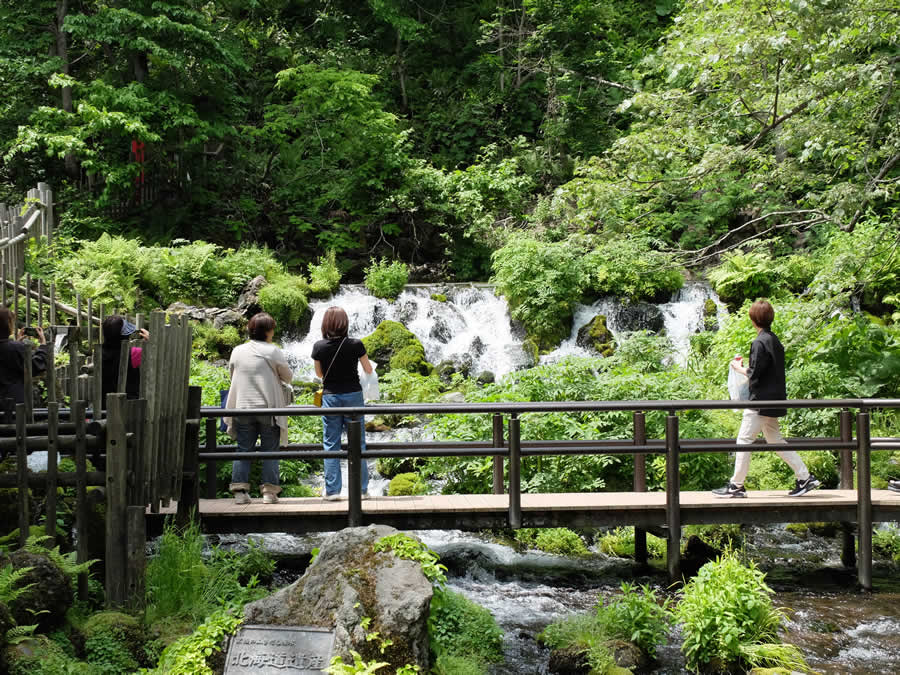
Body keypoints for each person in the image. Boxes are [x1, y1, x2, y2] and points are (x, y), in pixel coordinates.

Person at [713, 300, 820, 499]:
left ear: (753, 319)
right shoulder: (774, 340)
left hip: (760, 402)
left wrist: (738, 368)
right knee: (775, 440)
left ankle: (736, 485)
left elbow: (755, 374)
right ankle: (804, 477)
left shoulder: (759, 342)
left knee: (744, 440)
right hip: (774, 399)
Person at [224, 312, 292, 505]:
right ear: (268, 331)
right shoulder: (273, 351)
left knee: (243, 448)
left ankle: (239, 492)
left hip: (242, 406)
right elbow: (288, 377)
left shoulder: (237, 350)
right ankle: (269, 493)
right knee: (270, 450)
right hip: (268, 408)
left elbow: (232, 375)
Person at [311, 306, 374, 501]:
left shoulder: (319, 347)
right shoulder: (356, 344)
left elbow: (319, 374)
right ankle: (362, 491)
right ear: (345, 323)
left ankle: (332, 492)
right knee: (358, 443)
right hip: (354, 396)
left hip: (331, 397)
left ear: (326, 324)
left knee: (331, 444)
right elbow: (368, 369)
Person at [0, 307, 49, 405]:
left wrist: (16, 343)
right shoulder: (15, 348)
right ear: (8, 325)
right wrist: (43, 346)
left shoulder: (14, 347)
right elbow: (35, 367)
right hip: (13, 401)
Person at [100, 315, 149, 402]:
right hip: (128, 404)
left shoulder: (99, 353)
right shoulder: (135, 353)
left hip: (104, 403)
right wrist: (150, 340)